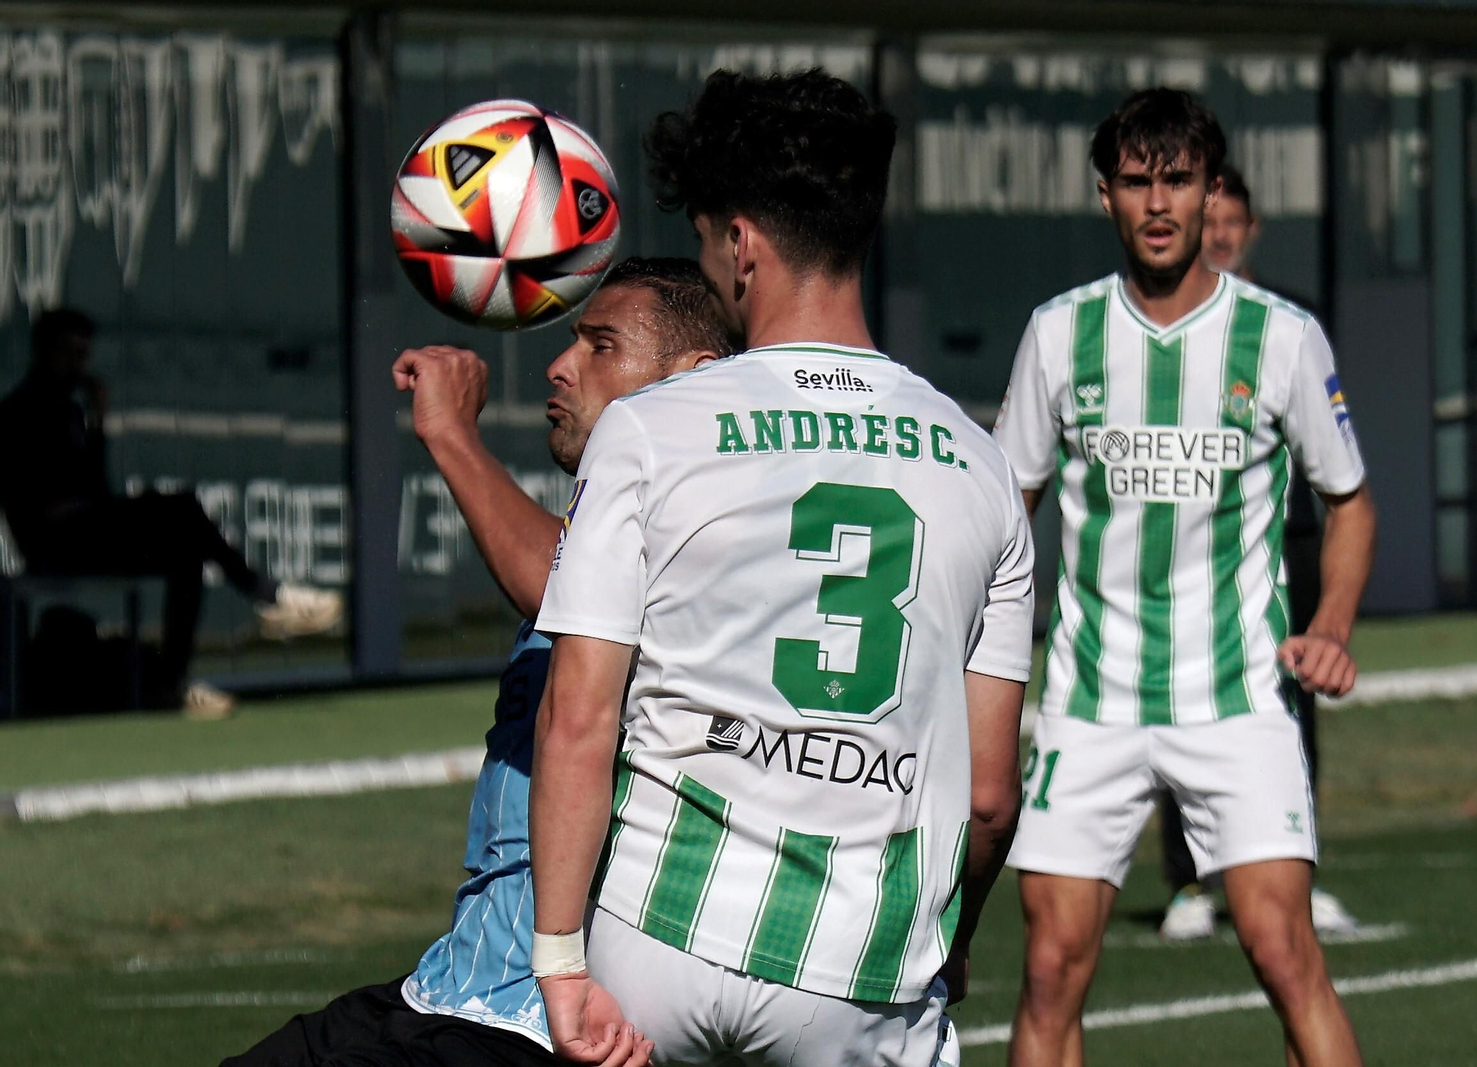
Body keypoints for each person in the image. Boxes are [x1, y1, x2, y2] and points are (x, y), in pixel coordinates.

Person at [528, 68, 1034, 1067]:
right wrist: (954, 933)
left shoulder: (646, 430)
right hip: (857, 968)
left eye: (711, 239)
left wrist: (559, 957)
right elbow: (987, 796)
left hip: (654, 938)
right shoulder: (982, 468)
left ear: (743, 243)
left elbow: (578, 715)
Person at [217, 257, 734, 1067]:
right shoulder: (596, 526)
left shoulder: (712, 530)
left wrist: (452, 436)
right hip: (450, 995)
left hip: (559, 1029)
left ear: (692, 379)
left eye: (602, 344)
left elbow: (561, 584)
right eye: (571, 340)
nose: (561, 366)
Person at [994, 89, 1376, 1067]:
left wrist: (1330, 624)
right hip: (1090, 700)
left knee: (1285, 953)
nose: (1157, 203)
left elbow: (1350, 499)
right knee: (1048, 969)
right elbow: (1001, 513)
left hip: (1238, 694)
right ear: (1105, 196)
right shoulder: (1057, 333)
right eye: (1135, 182)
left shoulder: (1281, 336)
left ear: (1211, 193)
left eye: (1176, 180)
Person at [1156, 163, 1359, 941]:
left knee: (1289, 705)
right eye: (1212, 224)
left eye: (1234, 224)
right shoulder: (1161, 324)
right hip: (1195, 542)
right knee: (1180, 701)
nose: (1223, 236)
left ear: (1252, 230)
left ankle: (1292, 875)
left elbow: (1332, 456)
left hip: (1286, 540)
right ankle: (1190, 884)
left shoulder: (1289, 321)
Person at [0, 308, 342, 717]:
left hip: (90, 531)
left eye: (83, 354)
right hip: (54, 545)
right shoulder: (17, 413)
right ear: (43, 351)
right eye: (68, 353)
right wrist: (107, 507)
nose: (77, 364)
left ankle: (169, 683)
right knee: (180, 508)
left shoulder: (74, 413)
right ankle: (265, 595)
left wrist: (99, 423)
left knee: (187, 550)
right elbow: (38, 508)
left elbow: (94, 487)